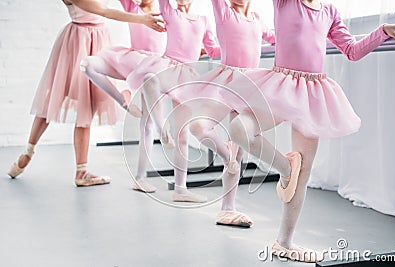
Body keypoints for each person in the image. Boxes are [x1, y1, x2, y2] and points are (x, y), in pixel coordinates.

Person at [224, 0, 395, 262]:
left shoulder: (329, 11)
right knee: (239, 129)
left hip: (311, 93)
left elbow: (351, 50)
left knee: (304, 170)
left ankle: (284, 242)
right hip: (279, 85)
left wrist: (382, 30)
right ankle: (286, 168)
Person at [8, 0, 164, 187]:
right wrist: (141, 19)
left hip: (98, 38)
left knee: (87, 103)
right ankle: (29, 152)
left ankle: (79, 170)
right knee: (57, 99)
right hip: (78, 41)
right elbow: (104, 11)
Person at [168, 0, 275, 223]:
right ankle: (225, 155)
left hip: (250, 84)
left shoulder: (257, 19)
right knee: (199, 126)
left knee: (240, 147)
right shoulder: (224, 12)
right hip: (226, 81)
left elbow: (278, 39)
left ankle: (228, 208)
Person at [124, 0, 221, 201]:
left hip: (186, 76)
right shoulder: (169, 11)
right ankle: (161, 131)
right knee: (150, 82)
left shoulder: (203, 20)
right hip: (165, 67)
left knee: (183, 133)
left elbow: (213, 50)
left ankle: (180, 190)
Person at [80, 0, 167, 192]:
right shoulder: (132, 7)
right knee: (87, 64)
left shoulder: (165, 9)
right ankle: (123, 101)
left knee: (147, 123)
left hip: (153, 67)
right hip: (130, 61)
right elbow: (107, 10)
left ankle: (140, 177)